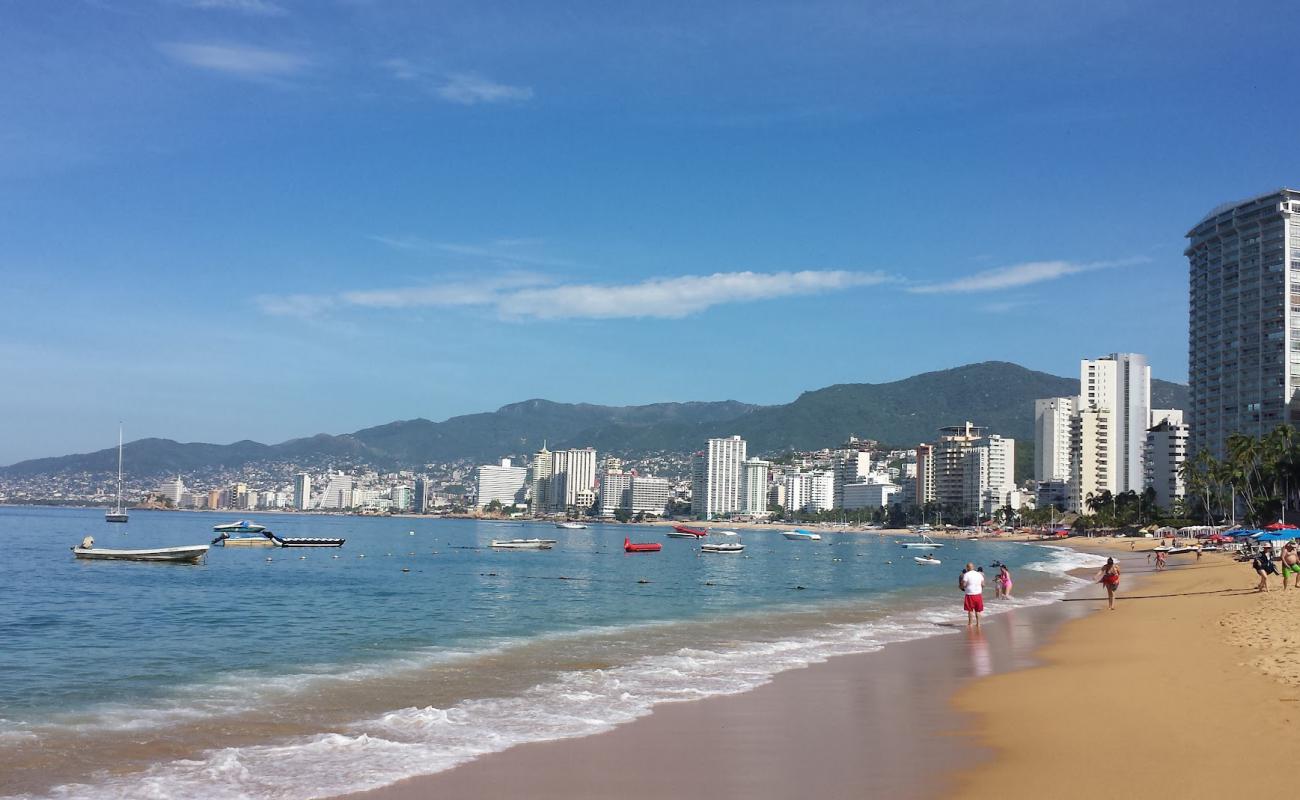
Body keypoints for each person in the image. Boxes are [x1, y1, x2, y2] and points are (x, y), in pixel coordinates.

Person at [960, 562, 985, 626]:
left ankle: (970, 623)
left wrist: (961, 587)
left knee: (970, 610)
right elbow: (983, 584)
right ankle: (978, 623)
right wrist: (980, 589)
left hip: (970, 594)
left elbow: (964, 584)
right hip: (978, 594)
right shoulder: (979, 574)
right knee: (978, 610)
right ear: (973, 567)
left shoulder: (966, 574)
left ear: (967, 568)